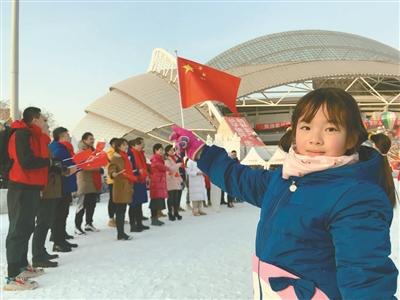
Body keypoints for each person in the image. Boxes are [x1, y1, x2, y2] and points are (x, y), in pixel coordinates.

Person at [170, 87, 398, 298]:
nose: (315, 138)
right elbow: (240, 179)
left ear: (350, 138)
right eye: (306, 127)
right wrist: (200, 152)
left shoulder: (355, 195)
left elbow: (365, 278)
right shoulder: (286, 179)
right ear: (294, 131)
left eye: (330, 128)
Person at [4, 107, 50, 291]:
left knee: (27, 227)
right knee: (18, 229)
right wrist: (49, 162)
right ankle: (12, 276)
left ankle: (22, 267)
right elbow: (26, 161)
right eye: (43, 118)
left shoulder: (31, 134)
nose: (45, 122)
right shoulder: (22, 134)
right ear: (35, 118)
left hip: (30, 187)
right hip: (21, 187)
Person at [48, 127, 79, 252]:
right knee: (59, 215)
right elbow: (58, 167)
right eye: (67, 135)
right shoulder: (57, 149)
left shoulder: (62, 148)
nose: (69, 137)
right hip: (60, 186)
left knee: (63, 214)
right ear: (61, 136)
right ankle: (57, 242)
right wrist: (70, 169)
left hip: (65, 185)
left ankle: (61, 238)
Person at [75, 132, 102, 234]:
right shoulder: (81, 152)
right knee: (82, 204)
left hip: (93, 180)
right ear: (84, 140)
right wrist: (97, 167)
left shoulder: (93, 151)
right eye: (90, 138)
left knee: (91, 204)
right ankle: (77, 226)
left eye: (93, 138)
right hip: (84, 181)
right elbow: (83, 165)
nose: (93, 140)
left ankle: (88, 224)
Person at [107, 138, 134, 240]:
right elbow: (111, 169)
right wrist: (113, 173)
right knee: (120, 210)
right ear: (118, 147)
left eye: (126, 144)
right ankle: (121, 233)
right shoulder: (116, 157)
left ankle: (121, 233)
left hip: (126, 186)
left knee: (122, 209)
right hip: (120, 187)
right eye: (124, 145)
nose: (126, 146)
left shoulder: (124, 157)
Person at [128, 138, 150, 232]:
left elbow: (144, 165)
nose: (142, 146)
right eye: (140, 144)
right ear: (134, 145)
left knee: (139, 203)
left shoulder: (140, 153)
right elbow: (130, 167)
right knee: (133, 204)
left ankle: (139, 223)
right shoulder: (131, 154)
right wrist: (138, 172)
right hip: (134, 180)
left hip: (141, 180)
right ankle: (133, 225)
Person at [149, 143, 168, 226]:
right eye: (159, 150)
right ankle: (154, 219)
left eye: (162, 150)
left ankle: (155, 218)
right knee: (155, 201)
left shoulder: (160, 158)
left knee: (157, 201)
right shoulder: (155, 159)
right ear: (155, 150)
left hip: (159, 182)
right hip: (156, 182)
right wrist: (170, 168)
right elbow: (160, 167)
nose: (161, 151)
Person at [164, 144, 183, 221]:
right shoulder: (166, 160)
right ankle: (170, 213)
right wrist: (179, 164)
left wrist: (180, 178)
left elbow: (176, 170)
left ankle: (176, 212)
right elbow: (170, 169)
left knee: (176, 198)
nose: (172, 151)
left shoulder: (175, 158)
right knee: (171, 198)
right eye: (171, 150)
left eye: (173, 150)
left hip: (176, 180)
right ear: (167, 152)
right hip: (170, 180)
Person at [106, 137, 118, 227]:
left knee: (118, 199)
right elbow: (113, 161)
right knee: (112, 199)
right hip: (112, 180)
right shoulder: (110, 152)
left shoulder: (117, 153)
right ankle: (111, 218)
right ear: (113, 144)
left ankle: (117, 218)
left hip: (118, 179)